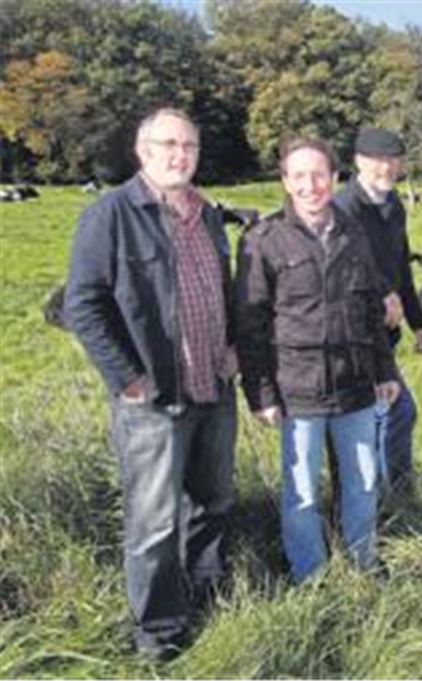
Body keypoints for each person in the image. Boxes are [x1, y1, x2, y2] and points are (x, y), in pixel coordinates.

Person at [63, 107, 237, 660]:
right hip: (154, 399)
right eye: (167, 144)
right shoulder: (111, 214)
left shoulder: (207, 215)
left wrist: (231, 346)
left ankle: (206, 595)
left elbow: (219, 291)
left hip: (212, 387)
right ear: (143, 151)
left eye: (188, 145)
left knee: (212, 502)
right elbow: (82, 304)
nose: (178, 154)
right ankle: (158, 635)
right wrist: (127, 377)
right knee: (154, 522)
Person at [234, 135, 400, 584]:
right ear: (286, 182)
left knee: (362, 484)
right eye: (300, 176)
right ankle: (311, 576)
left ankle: (364, 564)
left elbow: (370, 309)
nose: (311, 185)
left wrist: (384, 371)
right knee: (302, 492)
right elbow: (250, 324)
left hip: (356, 384)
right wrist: (261, 392)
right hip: (297, 389)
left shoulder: (353, 234)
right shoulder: (262, 240)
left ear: (335, 178)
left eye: (319, 175)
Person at [334, 127, 422, 496]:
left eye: (394, 159)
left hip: (384, 333)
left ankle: (384, 495)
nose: (387, 168)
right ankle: (389, 496)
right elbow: (346, 268)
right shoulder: (345, 207)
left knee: (384, 415)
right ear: (358, 161)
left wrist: (419, 321)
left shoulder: (393, 206)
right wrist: (382, 292)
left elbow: (401, 266)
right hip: (354, 333)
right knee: (398, 412)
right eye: (378, 160)